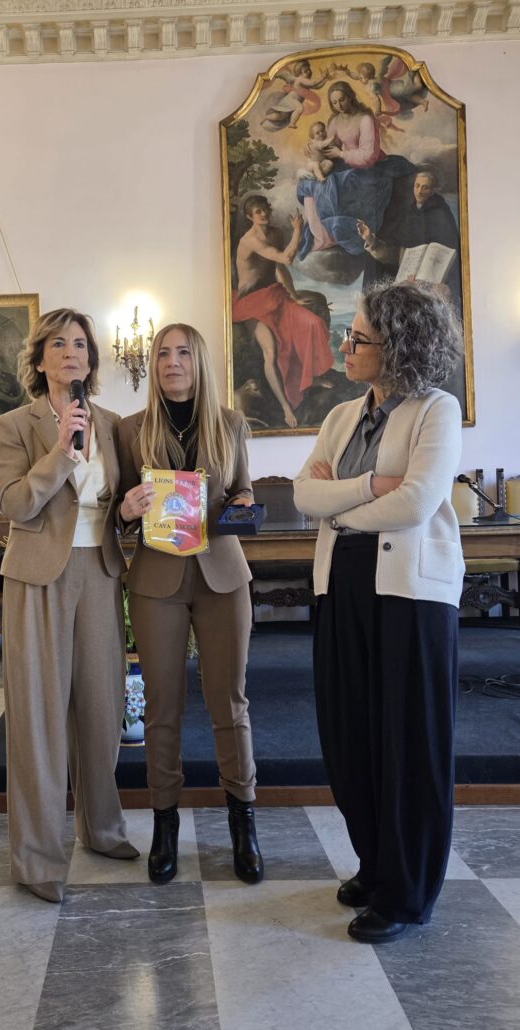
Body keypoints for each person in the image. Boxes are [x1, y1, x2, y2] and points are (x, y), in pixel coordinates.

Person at [293, 280, 464, 943]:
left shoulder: (436, 410)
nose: (344, 346)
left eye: (357, 338)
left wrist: (339, 505)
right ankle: (375, 864)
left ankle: (406, 893)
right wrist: (367, 487)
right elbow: (304, 495)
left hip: (409, 596)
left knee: (408, 743)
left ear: (396, 346)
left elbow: (416, 503)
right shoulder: (340, 416)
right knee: (350, 736)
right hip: (341, 587)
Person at [0, 308, 137, 904]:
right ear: (40, 358)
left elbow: (115, 502)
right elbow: (15, 505)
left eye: (80, 343)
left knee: (102, 708)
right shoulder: (15, 424)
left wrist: (130, 509)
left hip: (99, 570)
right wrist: (58, 452)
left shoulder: (112, 424)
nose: (71, 352)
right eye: (58, 344)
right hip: (36, 577)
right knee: (38, 715)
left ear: (91, 358)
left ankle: (102, 829)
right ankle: (37, 857)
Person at [117, 323, 263, 886]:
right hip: (156, 577)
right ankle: (165, 825)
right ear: (152, 364)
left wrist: (243, 500)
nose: (171, 362)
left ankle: (243, 822)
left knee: (230, 702)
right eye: (162, 353)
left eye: (182, 352)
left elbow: (243, 489)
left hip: (222, 573)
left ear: (198, 361)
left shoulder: (231, 423)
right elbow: (116, 511)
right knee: (162, 708)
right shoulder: (131, 430)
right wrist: (127, 509)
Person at [233, 194, 334, 428]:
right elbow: (286, 257)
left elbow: (279, 268)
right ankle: (286, 407)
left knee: (313, 323)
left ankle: (310, 378)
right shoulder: (249, 241)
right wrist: (297, 230)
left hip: (274, 295)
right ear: (249, 216)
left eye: (265, 209)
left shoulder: (276, 234)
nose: (264, 214)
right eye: (258, 211)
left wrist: (294, 294)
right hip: (250, 304)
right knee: (271, 352)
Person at [296, 81, 414, 260]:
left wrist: (341, 154)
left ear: (350, 97)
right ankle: (322, 237)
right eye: (334, 102)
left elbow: (369, 155)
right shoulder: (335, 120)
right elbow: (328, 145)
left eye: (342, 100)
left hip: (368, 168)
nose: (339, 105)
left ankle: (339, 232)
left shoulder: (365, 119)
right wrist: (313, 147)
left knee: (335, 183)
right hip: (343, 163)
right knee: (311, 183)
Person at [357, 169, 461, 307]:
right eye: (417, 186)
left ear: (432, 191)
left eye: (425, 187)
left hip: (432, 284)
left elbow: (452, 254)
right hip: (406, 281)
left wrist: (443, 286)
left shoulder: (441, 214)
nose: (420, 191)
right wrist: (370, 240)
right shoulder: (407, 214)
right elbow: (394, 254)